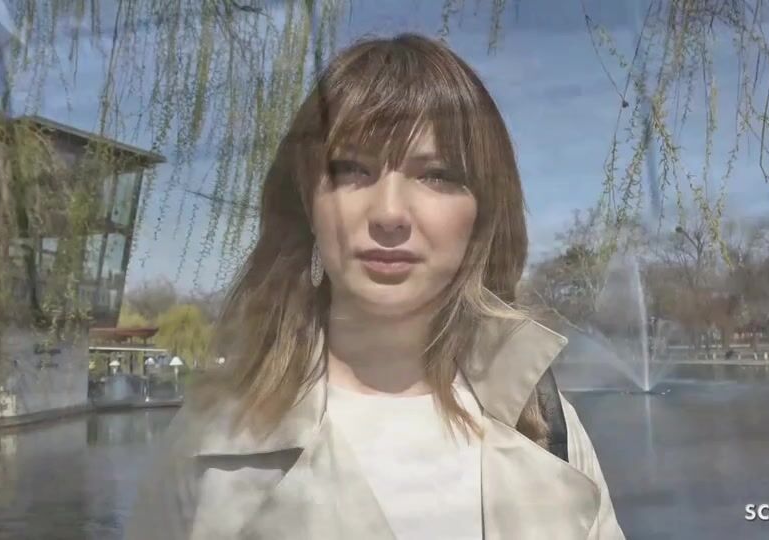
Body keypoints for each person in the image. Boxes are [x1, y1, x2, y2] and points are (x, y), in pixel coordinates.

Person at [125, 33, 625, 540]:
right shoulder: (210, 439)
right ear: (307, 206)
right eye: (351, 171)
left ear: (482, 216)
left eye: (435, 175)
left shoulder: (546, 426)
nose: (388, 213)